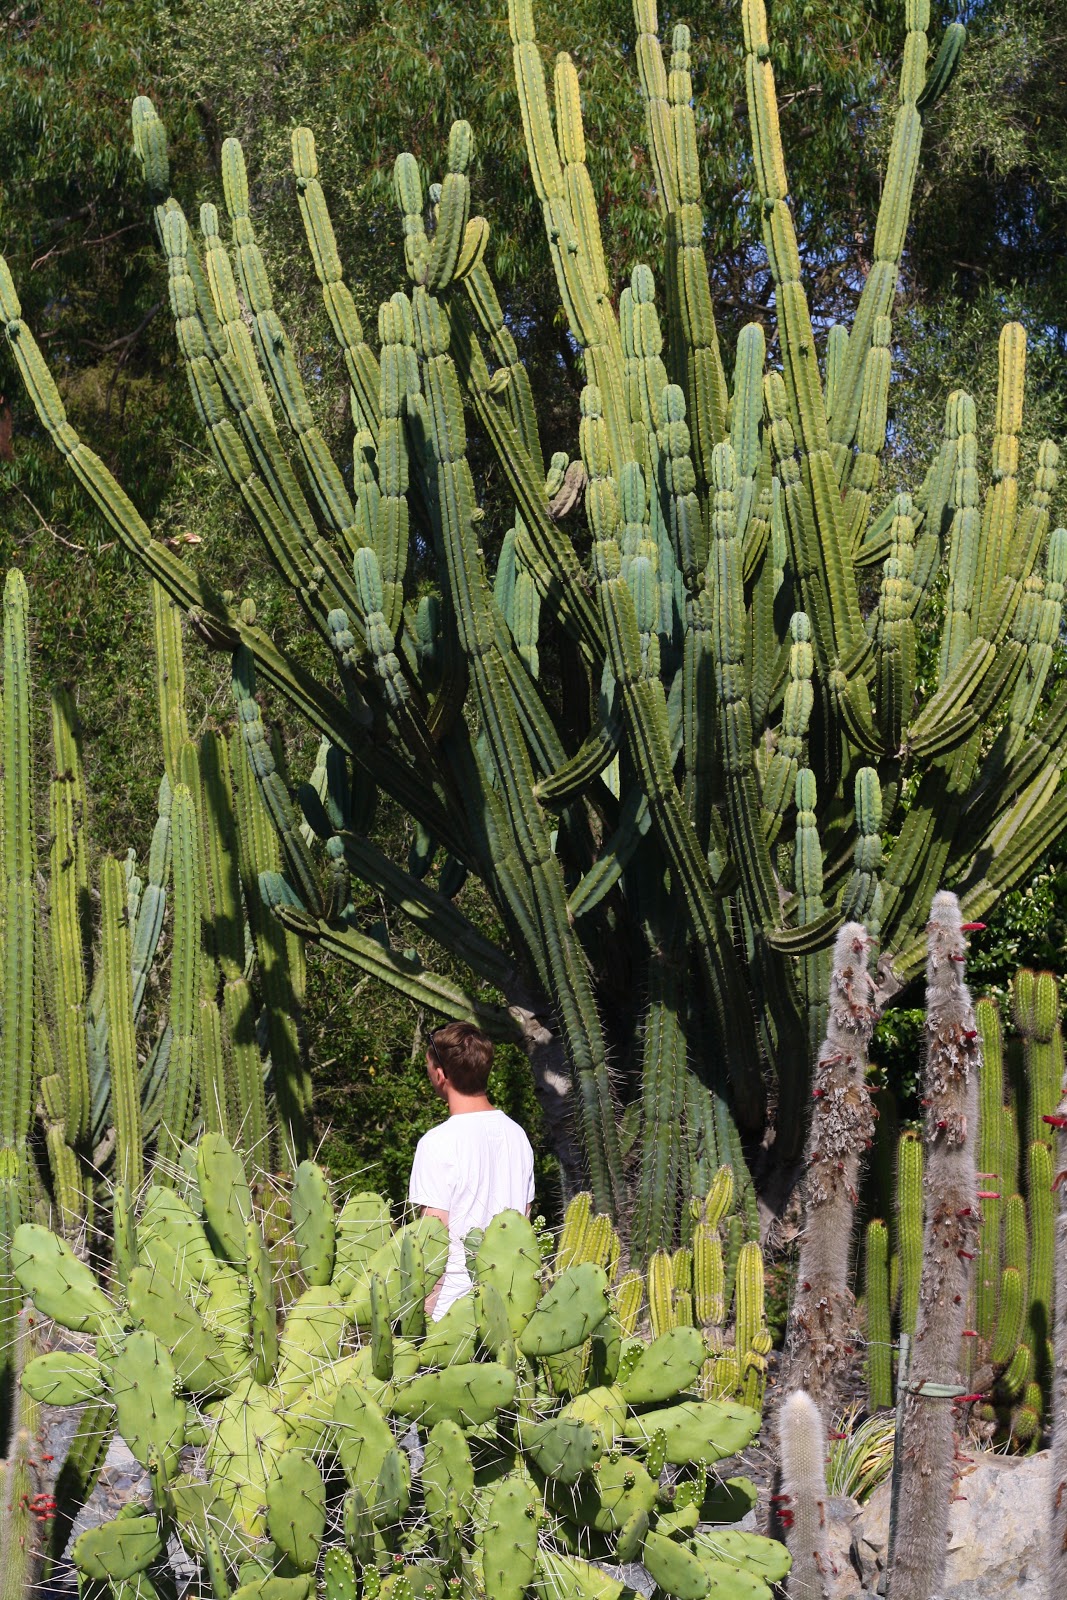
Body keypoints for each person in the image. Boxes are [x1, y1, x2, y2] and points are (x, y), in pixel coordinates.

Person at [408, 1021, 534, 1318]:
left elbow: (433, 1239)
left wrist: (420, 1321)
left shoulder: (436, 1143)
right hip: (508, 1310)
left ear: (441, 1075)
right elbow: (523, 1225)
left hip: (451, 1313)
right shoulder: (517, 1135)